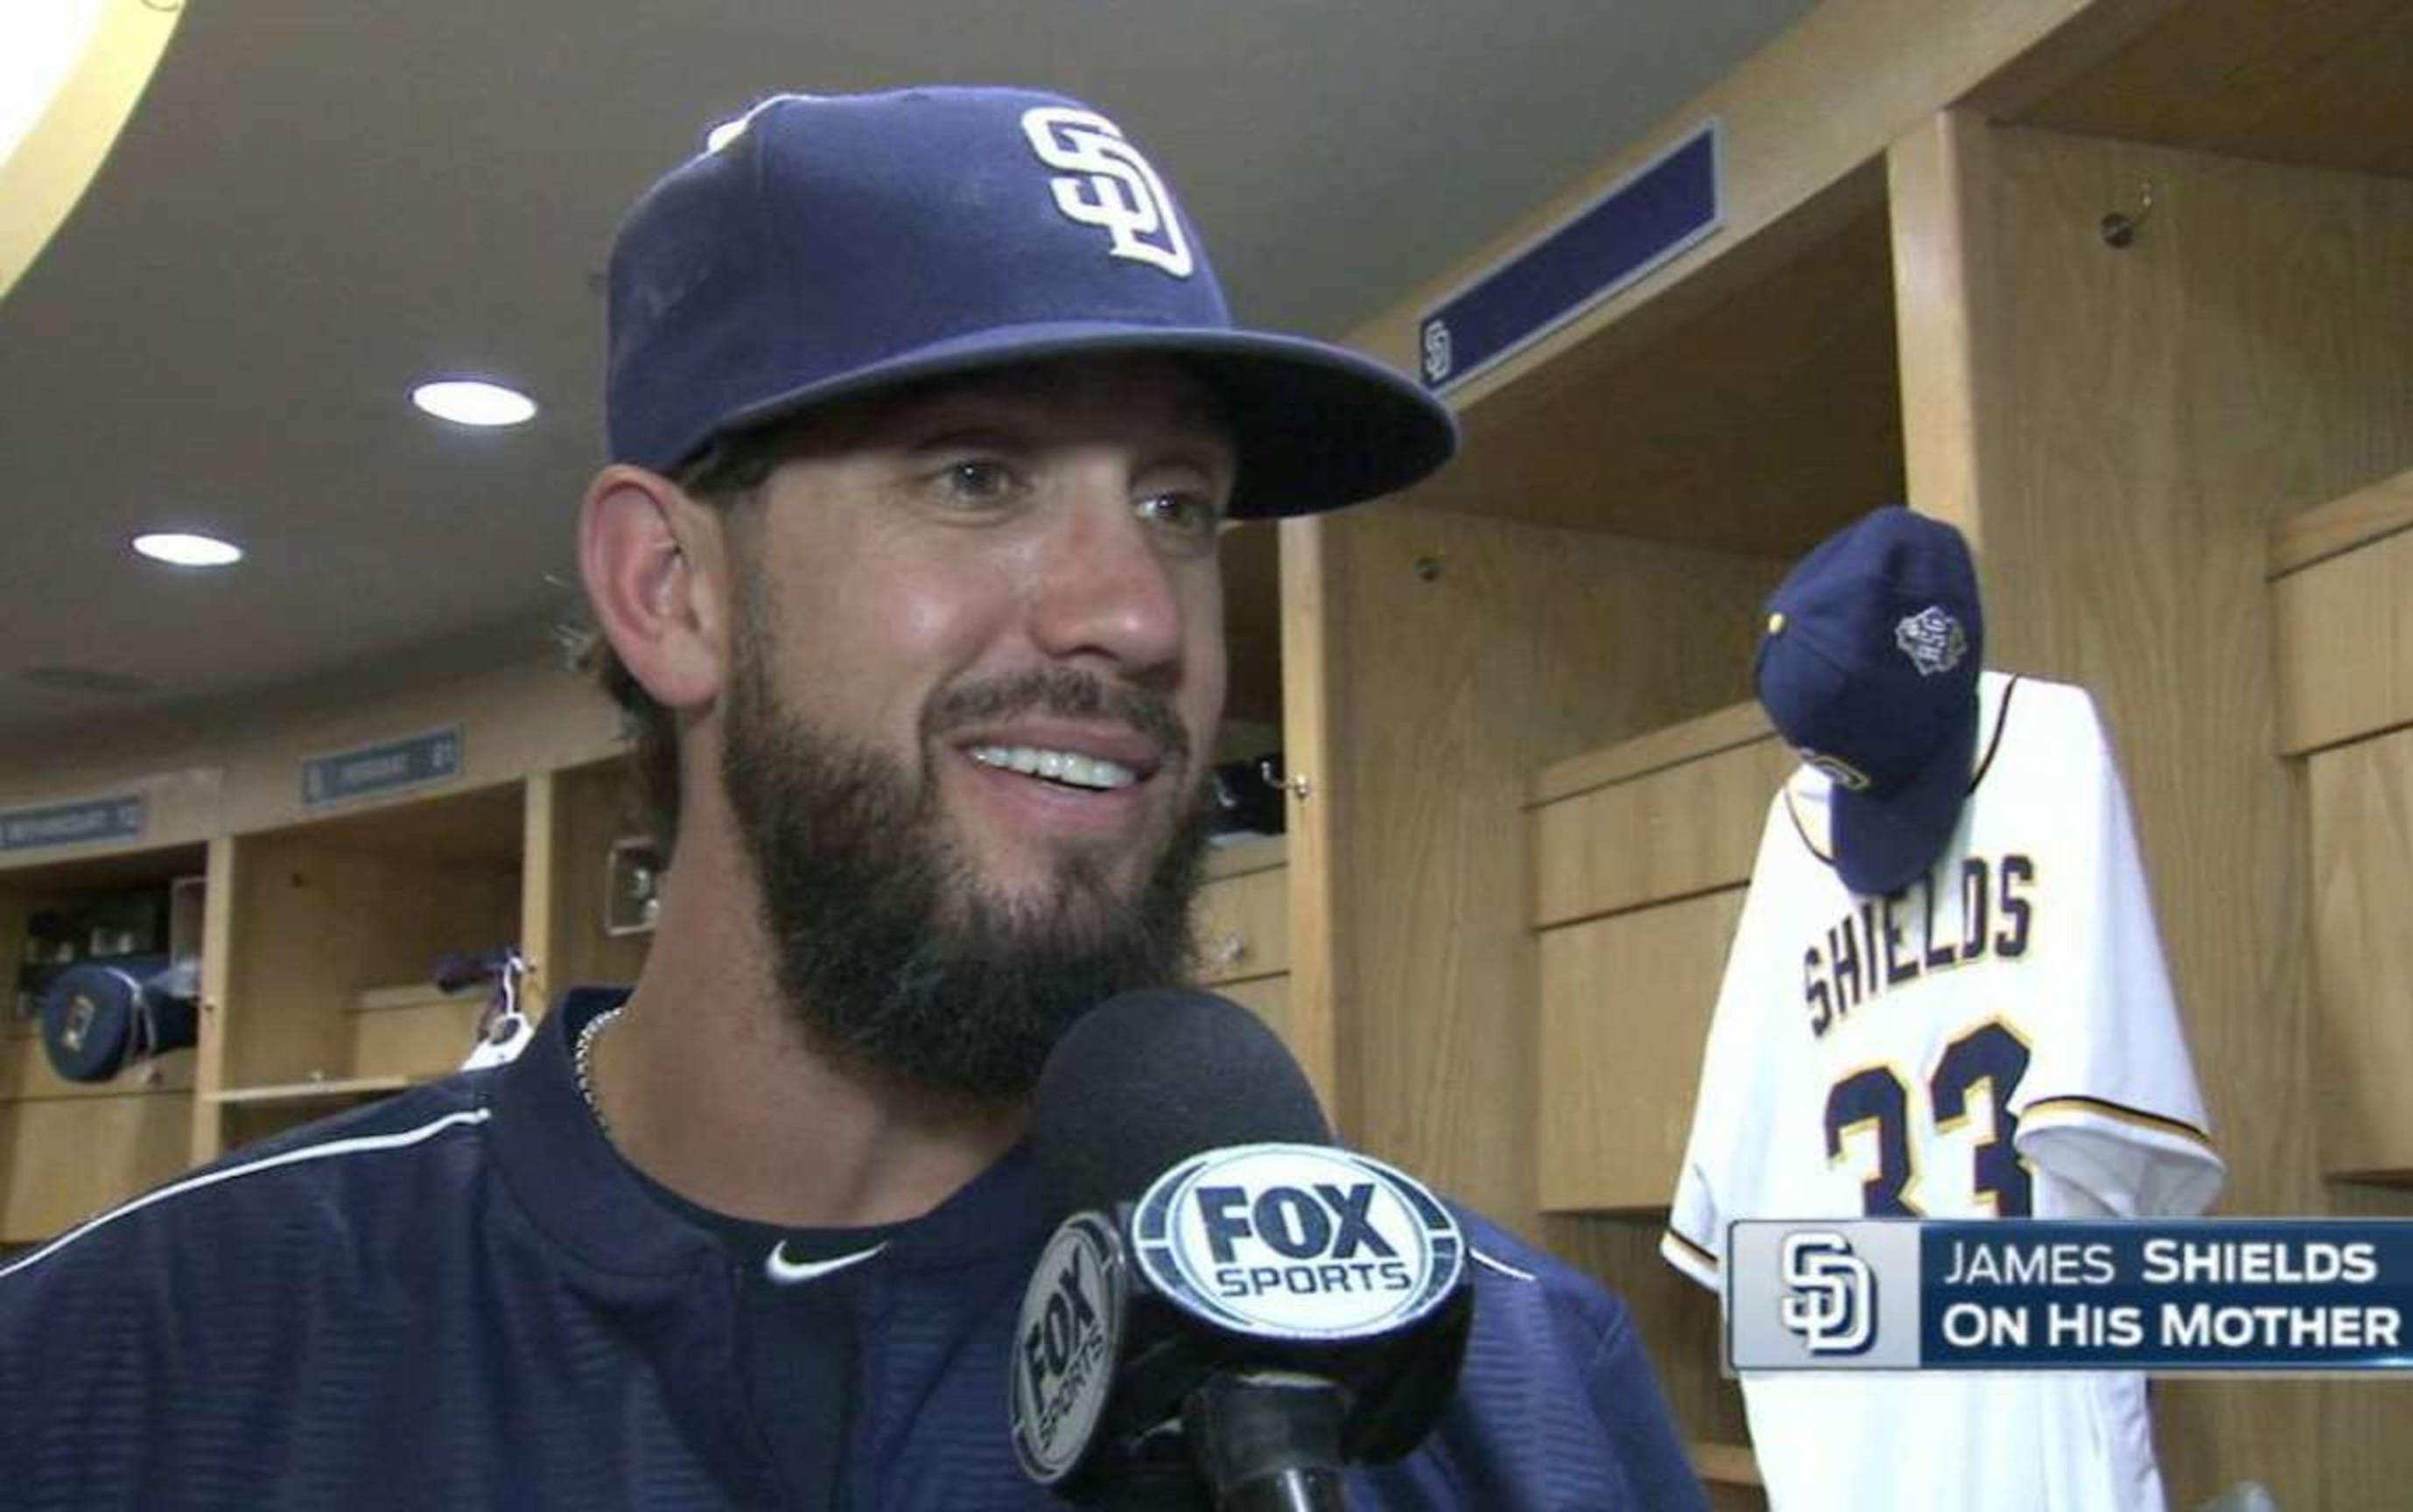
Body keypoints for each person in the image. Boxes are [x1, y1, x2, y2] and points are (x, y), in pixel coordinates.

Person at [0, 86, 1704, 1509]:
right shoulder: (142, 1367)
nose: (1135, 610)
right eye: (978, 474)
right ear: (672, 591)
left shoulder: (1505, 1390)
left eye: (1183, 505)